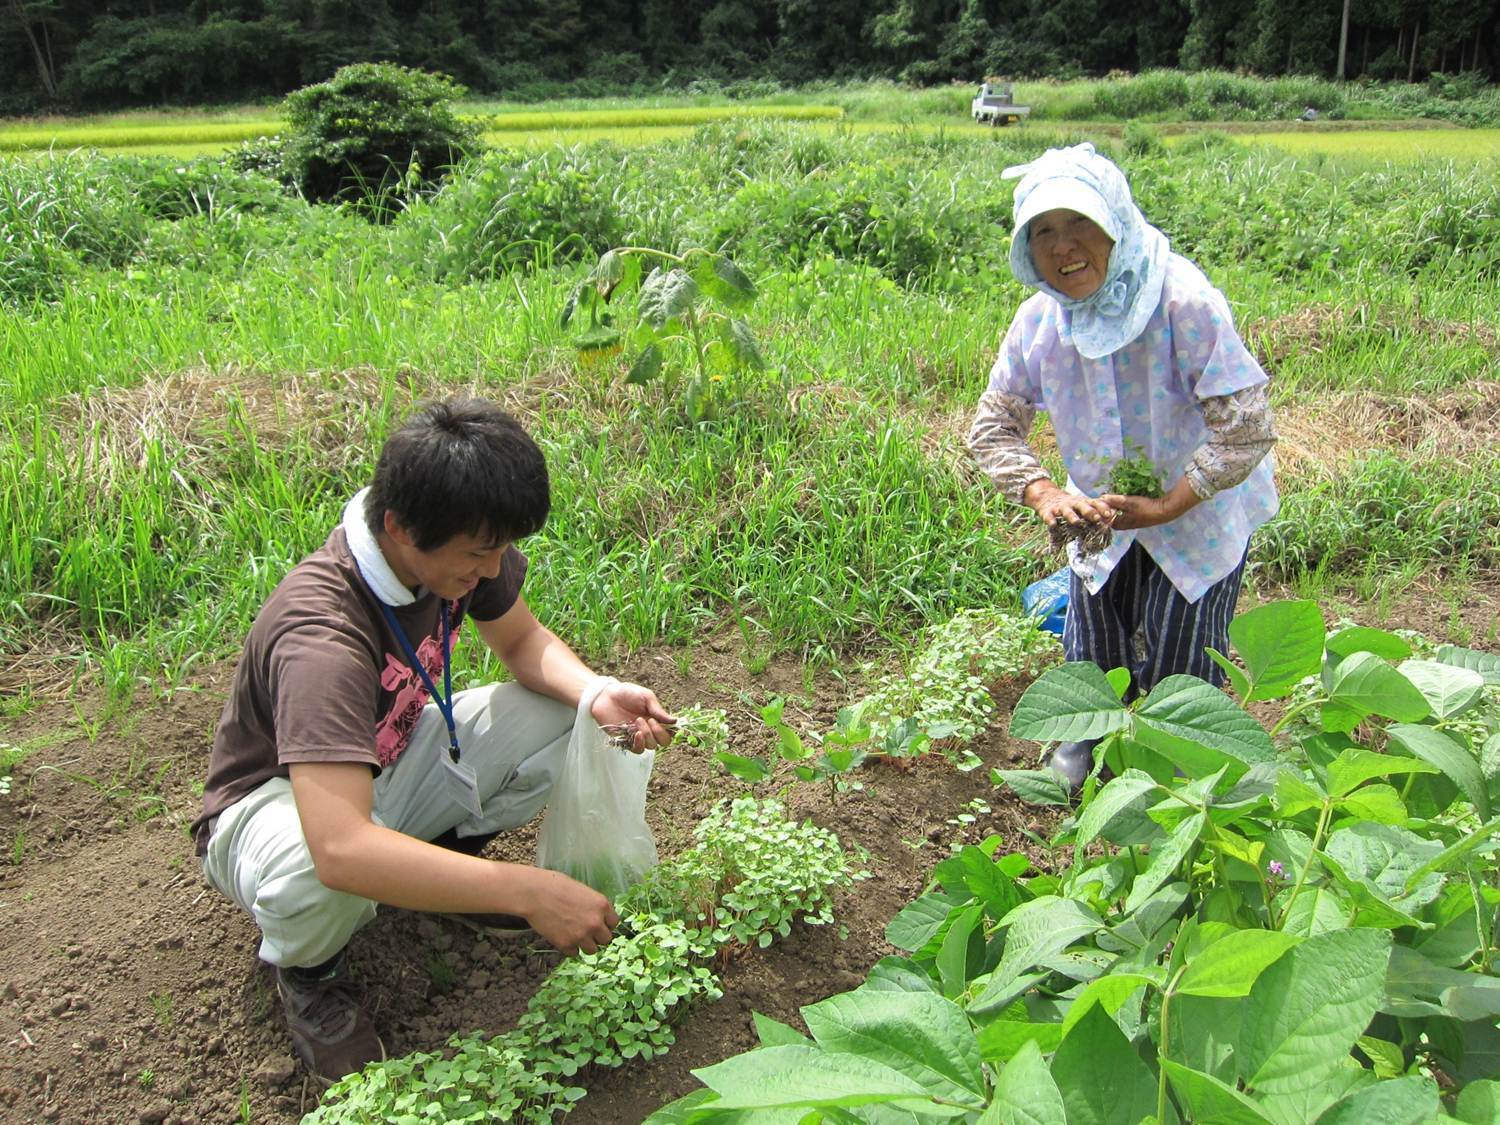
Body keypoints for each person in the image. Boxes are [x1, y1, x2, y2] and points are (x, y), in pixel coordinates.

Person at [190, 397, 676, 1083]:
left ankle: (438, 866)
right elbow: (339, 845)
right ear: (399, 527)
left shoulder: (450, 545)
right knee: (319, 874)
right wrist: (527, 889)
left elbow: (521, 639)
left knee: (562, 713)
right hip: (272, 808)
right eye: (481, 555)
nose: (491, 569)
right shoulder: (320, 635)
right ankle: (310, 972)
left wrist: (597, 691)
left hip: (383, 763)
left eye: (501, 550)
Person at [968, 143, 1277, 787]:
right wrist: (1046, 492)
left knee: (1182, 658)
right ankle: (1085, 741)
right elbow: (992, 427)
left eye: (1080, 223)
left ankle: (1178, 771)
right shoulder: (1039, 324)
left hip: (1196, 512)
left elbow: (1246, 429)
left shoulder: (1183, 306)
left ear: (1117, 223)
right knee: (1094, 637)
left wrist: (1167, 506)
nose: (1064, 246)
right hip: (1099, 514)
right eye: (1043, 231)